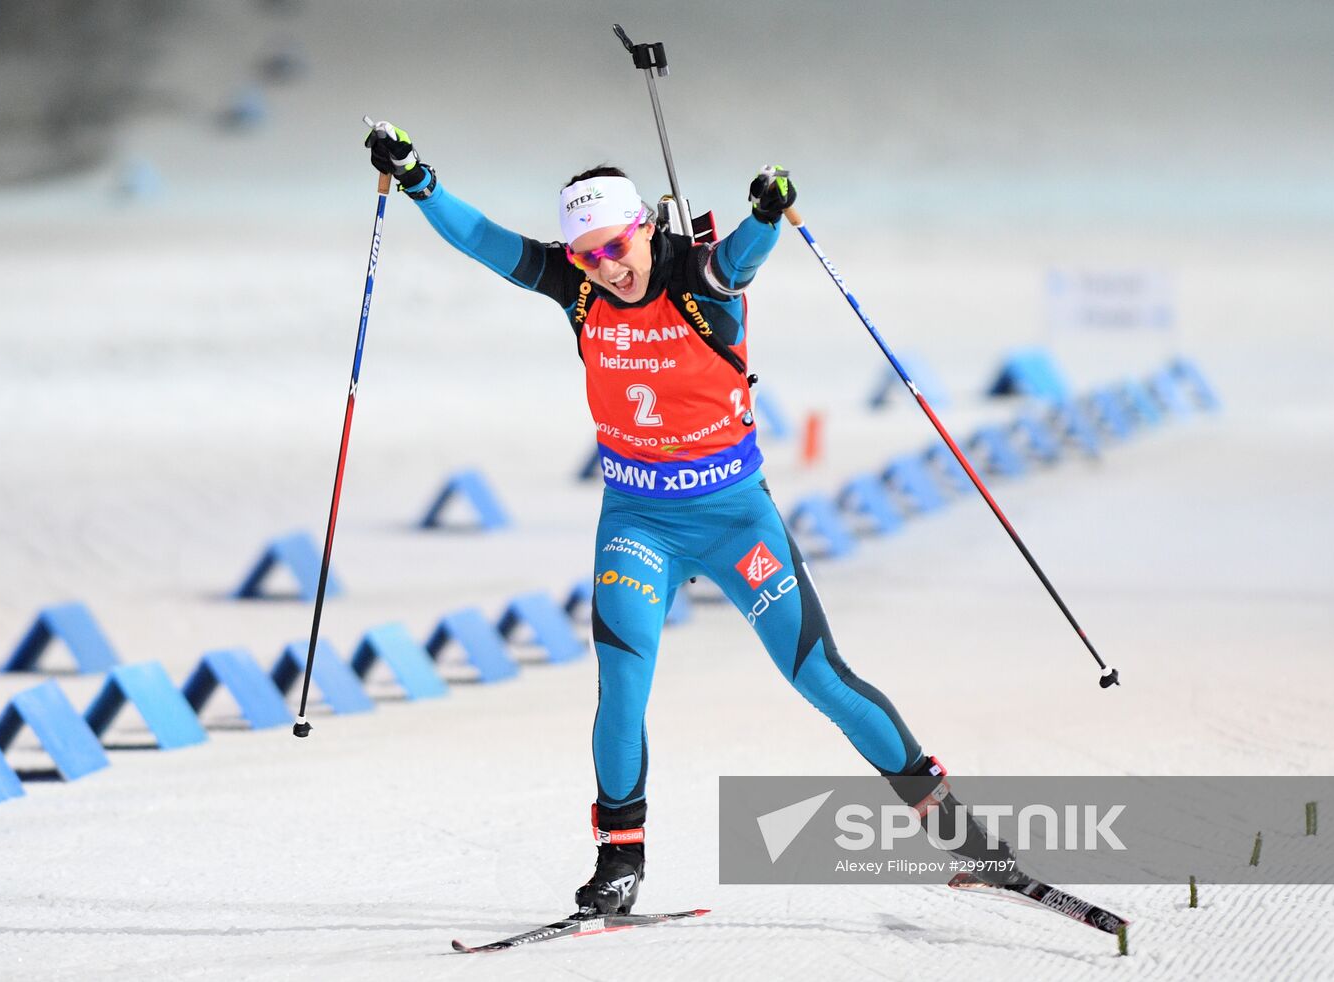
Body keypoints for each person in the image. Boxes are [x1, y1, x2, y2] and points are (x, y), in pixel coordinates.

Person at [364, 121, 1014, 915]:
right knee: (622, 692)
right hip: (638, 520)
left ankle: (953, 832)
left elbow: (736, 258)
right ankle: (620, 862)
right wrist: (418, 176)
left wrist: (768, 212)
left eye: (617, 247)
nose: (609, 268)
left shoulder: (699, 277)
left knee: (821, 678)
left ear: (644, 227)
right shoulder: (579, 291)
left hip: (736, 519)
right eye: (588, 257)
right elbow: (485, 241)